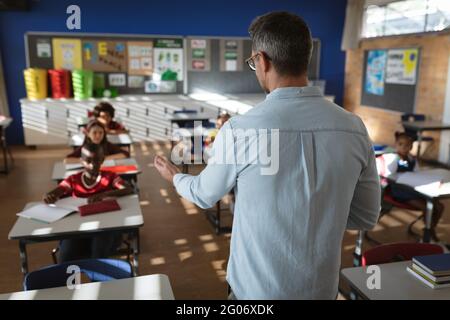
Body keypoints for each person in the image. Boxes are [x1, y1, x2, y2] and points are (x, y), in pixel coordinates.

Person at [154, 11, 380, 299]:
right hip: (321, 291)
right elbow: (365, 216)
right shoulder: (354, 128)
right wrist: (319, 211)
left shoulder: (240, 130)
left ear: (262, 60)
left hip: (255, 294)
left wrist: (176, 177)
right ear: (305, 57)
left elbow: (203, 194)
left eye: (252, 62)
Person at [44, 142, 134, 262]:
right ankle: (72, 279)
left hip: (105, 228)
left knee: (98, 250)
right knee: (67, 254)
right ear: (81, 161)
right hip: (78, 229)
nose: (92, 165)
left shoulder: (109, 177)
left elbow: (128, 188)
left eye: (97, 160)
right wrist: (49, 196)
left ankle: (97, 279)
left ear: (102, 160)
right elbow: (56, 192)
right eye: (88, 161)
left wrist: (104, 194)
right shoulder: (73, 180)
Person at [381, 131, 444, 242]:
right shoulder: (393, 158)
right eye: (400, 144)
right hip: (400, 191)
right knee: (427, 207)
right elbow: (389, 174)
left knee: (439, 206)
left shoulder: (412, 160)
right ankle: (428, 232)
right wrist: (397, 160)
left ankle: (429, 228)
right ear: (396, 145)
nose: (404, 148)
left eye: (407, 145)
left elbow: (417, 173)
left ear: (411, 147)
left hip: (415, 189)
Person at [65, 120, 129, 164]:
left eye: (101, 133)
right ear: (88, 134)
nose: (98, 136)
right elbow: (67, 160)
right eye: (94, 133)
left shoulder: (107, 145)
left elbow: (125, 154)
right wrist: (84, 160)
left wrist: (105, 158)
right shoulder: (85, 147)